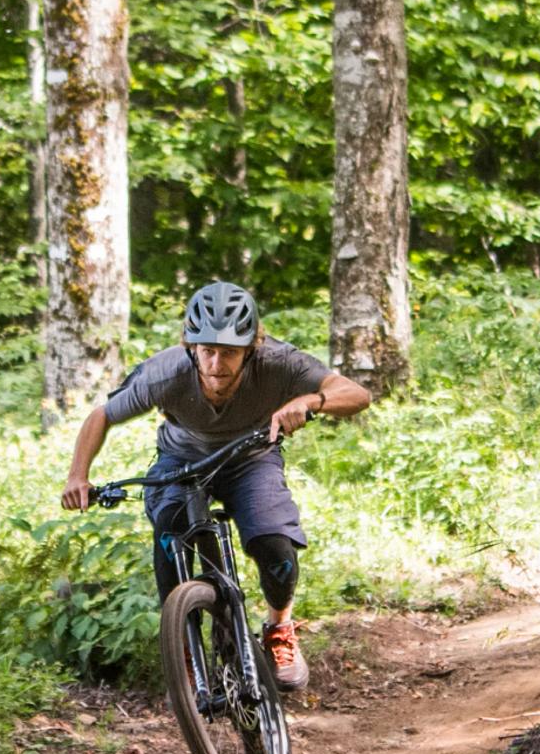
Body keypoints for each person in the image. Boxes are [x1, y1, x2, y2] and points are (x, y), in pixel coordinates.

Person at [58, 282, 372, 689]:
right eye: (207, 350)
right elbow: (102, 415)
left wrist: (311, 401)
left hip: (252, 459)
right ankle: (184, 643)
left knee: (274, 545)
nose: (217, 362)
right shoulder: (166, 372)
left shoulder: (279, 363)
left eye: (229, 352)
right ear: (191, 347)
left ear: (252, 348)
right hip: (182, 462)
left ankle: (280, 630)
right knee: (170, 526)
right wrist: (77, 476)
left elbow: (356, 394)